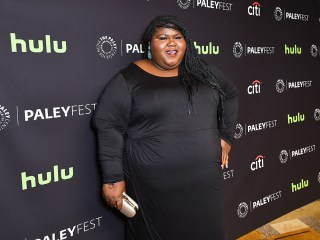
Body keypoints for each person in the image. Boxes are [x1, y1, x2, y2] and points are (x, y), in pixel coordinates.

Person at [93, 15, 239, 240]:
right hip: (152, 185)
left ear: (186, 43)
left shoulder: (203, 71)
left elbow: (230, 95)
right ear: (149, 45)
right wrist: (113, 179)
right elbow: (108, 125)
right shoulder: (129, 78)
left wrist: (226, 137)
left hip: (203, 180)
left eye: (177, 37)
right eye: (163, 37)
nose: (172, 43)